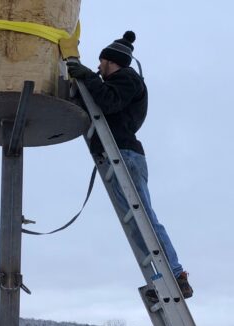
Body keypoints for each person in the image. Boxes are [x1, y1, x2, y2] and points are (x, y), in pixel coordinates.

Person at [66, 31, 193, 299]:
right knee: (136, 224)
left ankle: (176, 273)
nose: (98, 67)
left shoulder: (127, 79)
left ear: (111, 61)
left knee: (144, 218)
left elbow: (109, 102)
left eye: (101, 63)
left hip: (125, 155)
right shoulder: (116, 83)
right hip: (117, 154)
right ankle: (160, 280)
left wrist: (87, 76)